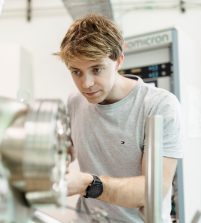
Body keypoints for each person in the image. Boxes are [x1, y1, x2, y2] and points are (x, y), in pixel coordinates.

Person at [56, 14, 183, 223]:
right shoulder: (74, 103)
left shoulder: (159, 106)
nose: (86, 83)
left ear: (119, 60)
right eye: (76, 71)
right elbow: (63, 153)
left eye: (96, 69)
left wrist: (88, 184)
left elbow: (151, 190)